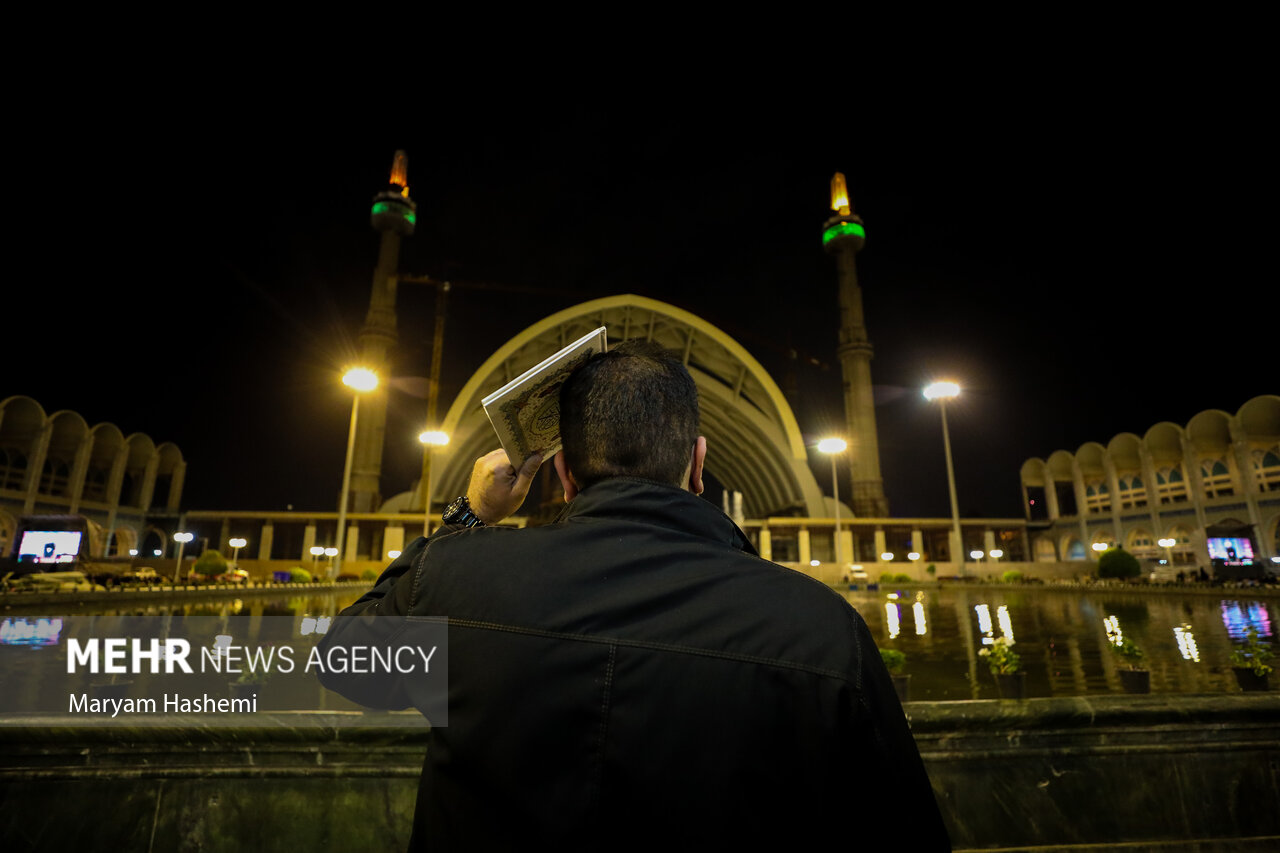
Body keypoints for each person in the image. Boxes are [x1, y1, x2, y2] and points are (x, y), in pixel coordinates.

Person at [317, 340, 951, 851]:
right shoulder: (819, 628)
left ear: (563, 474)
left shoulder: (455, 579)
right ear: (698, 464)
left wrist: (469, 517)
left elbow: (338, 666)